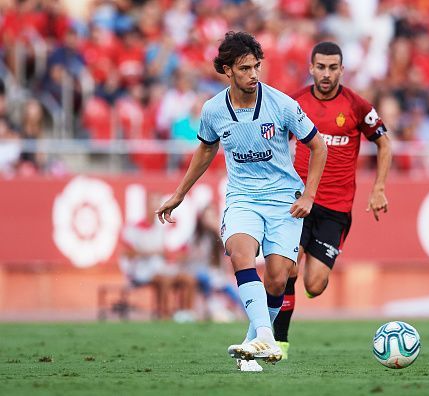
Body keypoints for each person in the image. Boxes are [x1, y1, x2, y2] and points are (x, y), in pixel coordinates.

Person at [155, 31, 327, 371]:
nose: (253, 74)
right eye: (245, 68)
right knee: (239, 252)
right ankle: (266, 334)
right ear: (227, 70)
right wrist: (179, 193)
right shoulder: (213, 110)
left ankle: (252, 344)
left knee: (279, 278)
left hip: (284, 200)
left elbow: (318, 146)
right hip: (243, 198)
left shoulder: (282, 104)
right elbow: (205, 149)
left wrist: (309, 194)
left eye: (256, 67)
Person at [272, 42, 392, 361]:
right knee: (285, 268)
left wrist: (379, 187)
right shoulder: (293, 103)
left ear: (341, 69)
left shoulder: (356, 106)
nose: (326, 74)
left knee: (315, 283)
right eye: (320, 67)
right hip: (297, 201)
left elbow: (384, 144)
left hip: (335, 209)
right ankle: (279, 342)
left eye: (332, 67)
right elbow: (275, 145)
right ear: (311, 68)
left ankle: (308, 284)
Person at [120, 192, 196, 320]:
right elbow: (127, 254)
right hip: (141, 270)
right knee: (165, 280)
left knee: (188, 279)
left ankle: (185, 315)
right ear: (146, 206)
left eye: (158, 203)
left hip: (159, 268)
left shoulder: (161, 228)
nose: (156, 206)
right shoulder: (134, 228)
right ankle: (164, 314)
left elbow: (165, 253)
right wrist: (150, 252)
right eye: (153, 203)